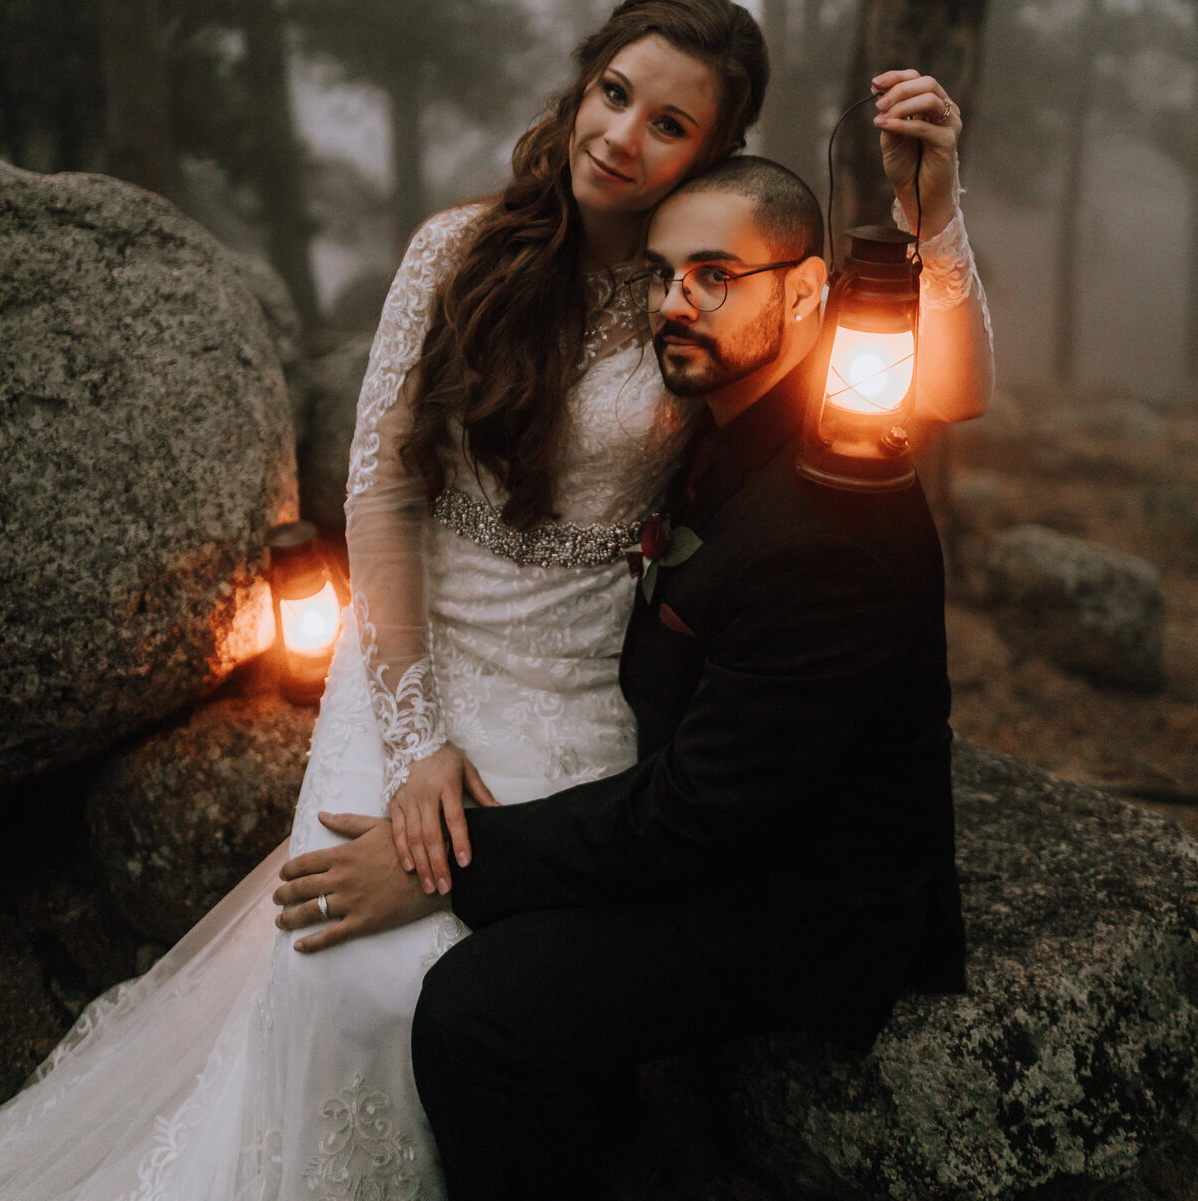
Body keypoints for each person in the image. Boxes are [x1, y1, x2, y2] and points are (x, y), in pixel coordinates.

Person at [0, 0, 988, 1201]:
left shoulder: (712, 288)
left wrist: (929, 213)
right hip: (416, 655)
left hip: (574, 679)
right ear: (581, 83)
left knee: (477, 974)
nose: (621, 136)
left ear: (714, 153)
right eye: (613, 93)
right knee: (338, 972)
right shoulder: (458, 252)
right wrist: (417, 738)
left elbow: (932, 389)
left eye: (667, 125)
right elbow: (381, 494)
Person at [275, 154, 969, 1201]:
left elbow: (695, 821)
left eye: (714, 276)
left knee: (480, 1009)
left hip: (794, 896)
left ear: (807, 291)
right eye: (660, 275)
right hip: (717, 807)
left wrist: (441, 866)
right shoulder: (727, 420)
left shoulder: (831, 516)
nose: (673, 305)